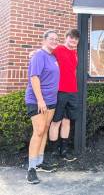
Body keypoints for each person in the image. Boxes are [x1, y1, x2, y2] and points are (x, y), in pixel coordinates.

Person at [25, 30, 60, 184]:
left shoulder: (53, 57)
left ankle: (39, 162)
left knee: (45, 129)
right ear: (44, 40)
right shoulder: (39, 55)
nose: (54, 41)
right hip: (37, 100)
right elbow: (34, 77)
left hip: (51, 101)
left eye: (56, 39)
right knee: (38, 131)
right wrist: (40, 100)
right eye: (51, 39)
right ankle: (31, 169)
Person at [48, 29, 80, 162]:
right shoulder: (59, 49)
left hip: (73, 92)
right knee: (56, 121)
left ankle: (64, 151)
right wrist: (34, 53)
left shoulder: (76, 53)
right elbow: (46, 52)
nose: (73, 41)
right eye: (71, 38)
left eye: (76, 39)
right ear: (66, 38)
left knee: (67, 121)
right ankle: (53, 152)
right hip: (60, 91)